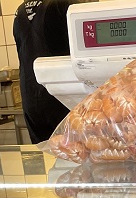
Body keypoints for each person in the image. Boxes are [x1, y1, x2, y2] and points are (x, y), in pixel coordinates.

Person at [14, 0, 81, 144]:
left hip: (30, 96)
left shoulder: (20, 12)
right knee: (73, 149)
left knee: (43, 150)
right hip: (60, 95)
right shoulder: (63, 4)